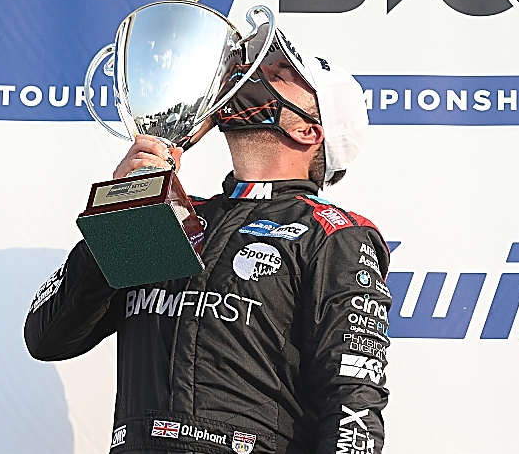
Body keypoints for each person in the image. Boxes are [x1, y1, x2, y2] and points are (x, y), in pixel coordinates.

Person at [24, 27, 391, 454]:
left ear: (309, 131)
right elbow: (49, 337)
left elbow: (352, 401)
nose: (249, 74)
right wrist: (126, 210)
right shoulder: (171, 217)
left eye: (280, 72)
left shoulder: (332, 234)